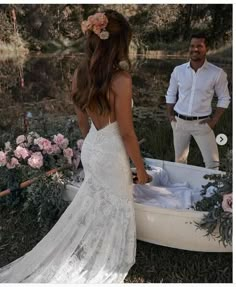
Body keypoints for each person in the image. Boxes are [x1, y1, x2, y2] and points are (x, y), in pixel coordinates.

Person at [0, 10, 151, 283]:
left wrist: (93, 148)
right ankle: (102, 252)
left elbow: (83, 122)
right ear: (118, 43)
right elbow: (128, 134)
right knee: (115, 202)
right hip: (111, 149)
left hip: (93, 143)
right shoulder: (121, 80)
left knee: (96, 199)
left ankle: (90, 241)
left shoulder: (80, 72)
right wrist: (140, 171)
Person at [166, 33, 230, 170]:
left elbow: (224, 98)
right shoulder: (178, 71)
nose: (195, 49)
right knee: (180, 163)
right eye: (192, 46)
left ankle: (212, 191)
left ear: (206, 48)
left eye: (199, 46)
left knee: (213, 165)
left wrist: (214, 121)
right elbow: (171, 94)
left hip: (202, 124)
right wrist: (170, 116)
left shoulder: (217, 73)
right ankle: (181, 190)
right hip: (179, 123)